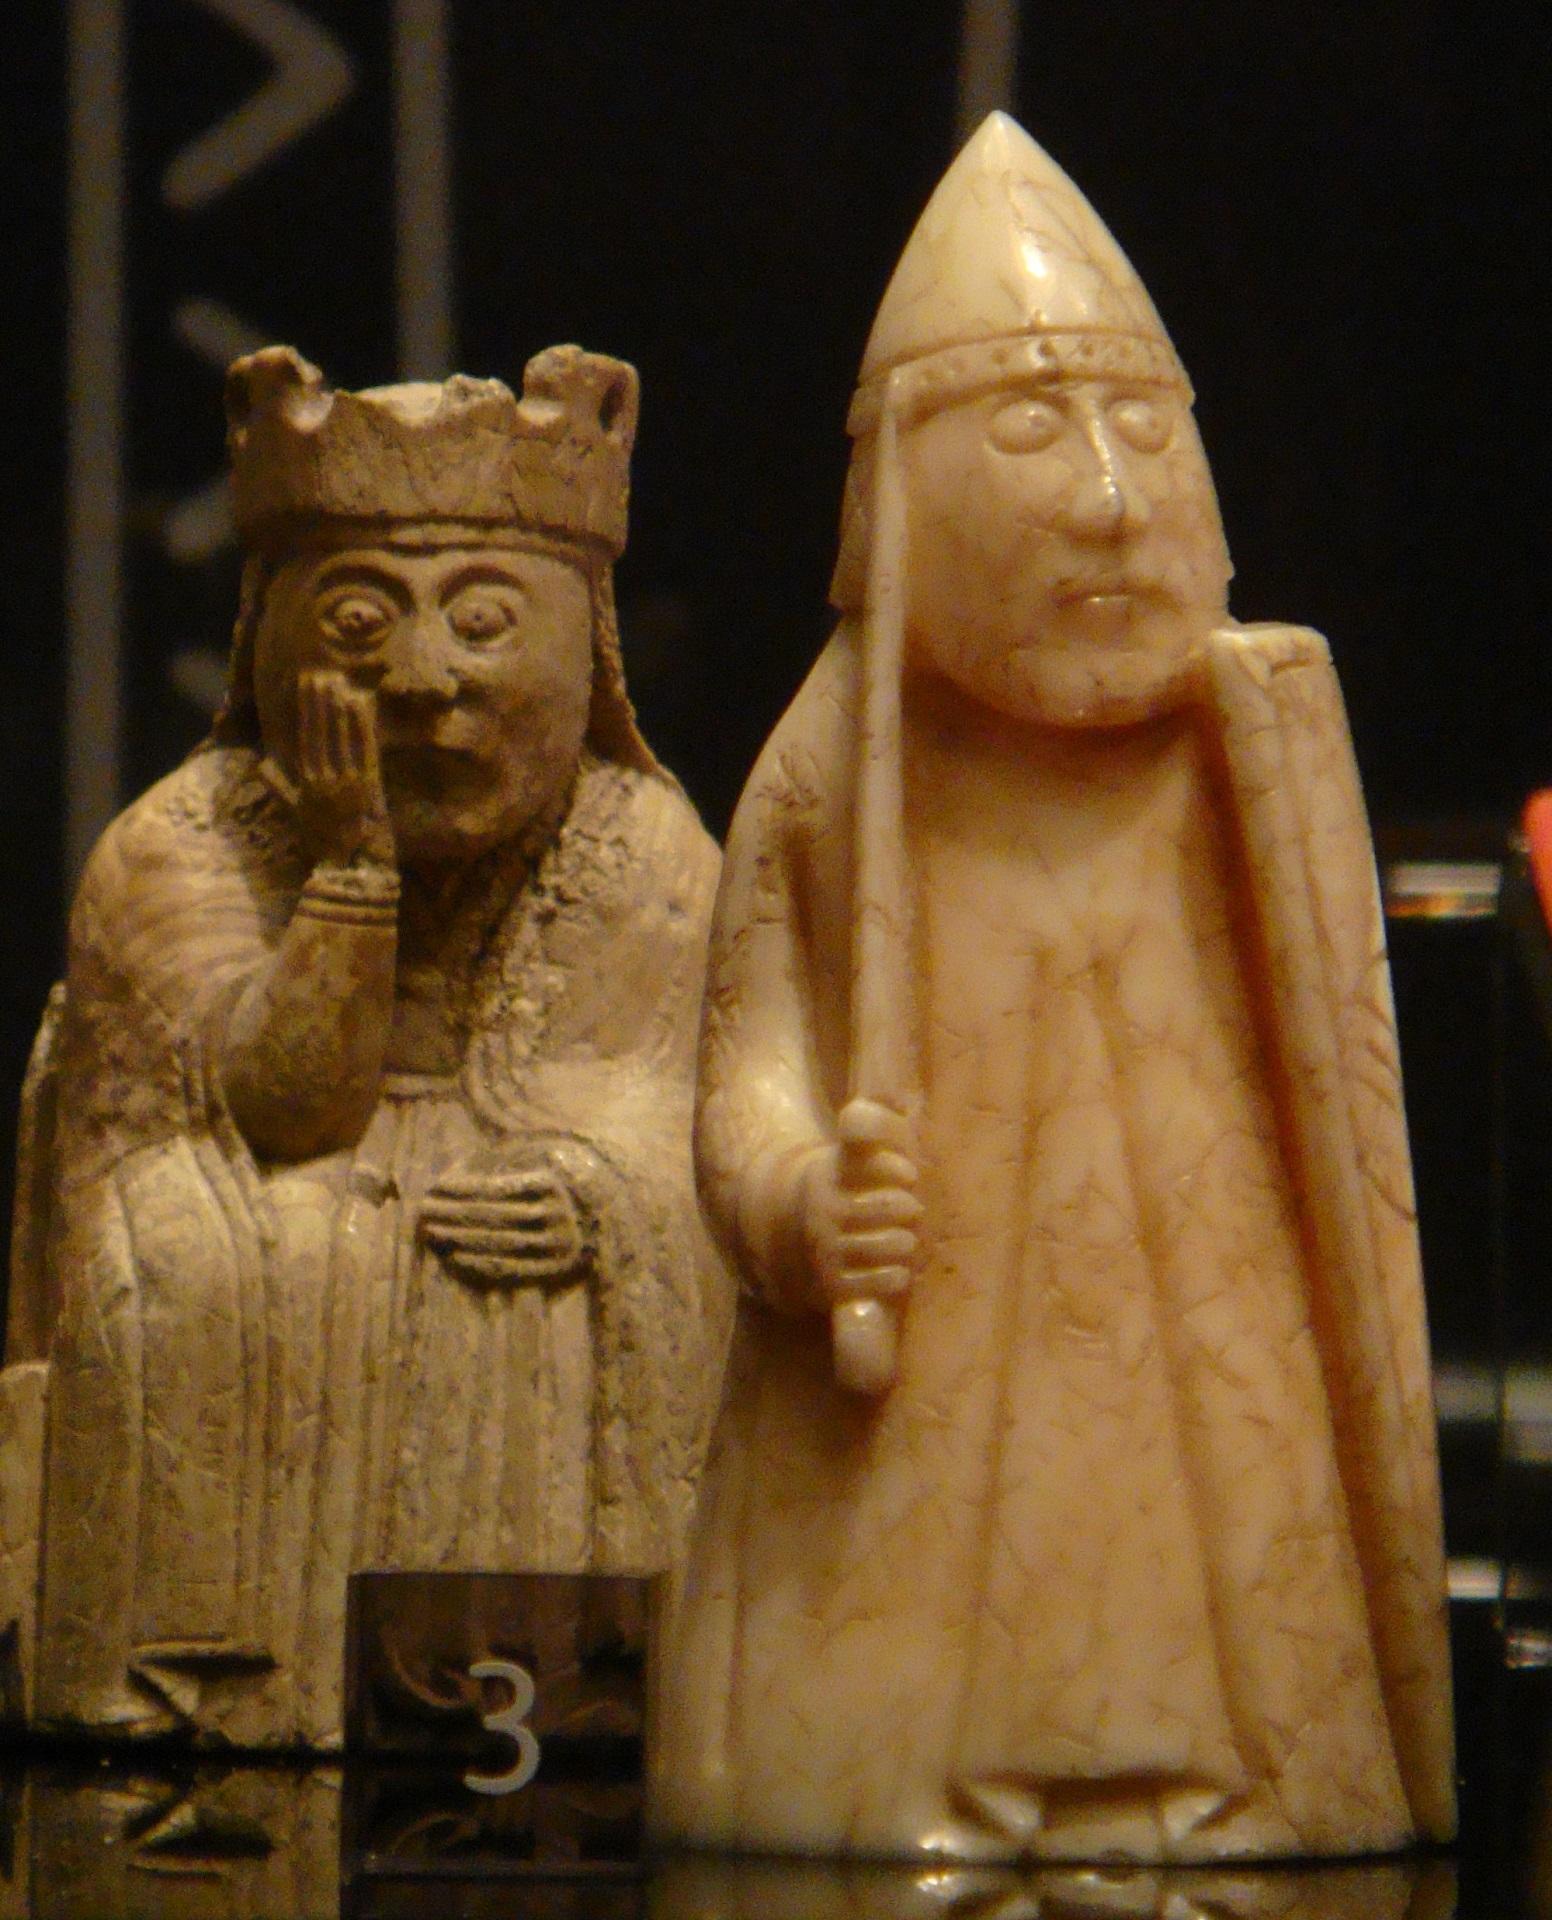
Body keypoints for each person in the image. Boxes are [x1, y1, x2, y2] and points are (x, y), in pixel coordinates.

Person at [651, 115, 1455, 1862]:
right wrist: (799, 1206)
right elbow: (743, 1069)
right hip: (908, 1413)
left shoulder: (1245, 744)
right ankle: (935, 1776)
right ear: (905, 497)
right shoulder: (828, 769)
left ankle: (1236, 1768)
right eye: (1031, 427)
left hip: (1213, 1314)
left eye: (1143, 429)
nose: (1105, 490)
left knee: (1202, 1487)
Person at [0, 344, 729, 1748]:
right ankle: (211, 1683)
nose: (418, 677)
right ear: (270, 636)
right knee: (199, 1254)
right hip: (271, 1216)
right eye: (355, 621)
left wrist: (594, 1192)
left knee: (530, 1266)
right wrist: (350, 869)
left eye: (481, 620)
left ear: (590, 642)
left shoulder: (644, 851)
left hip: (501, 1244)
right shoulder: (179, 845)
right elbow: (272, 1116)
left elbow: (677, 1125)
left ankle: (549, 1689)